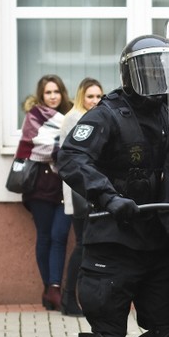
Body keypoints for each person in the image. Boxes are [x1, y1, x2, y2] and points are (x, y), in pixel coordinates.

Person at [49, 35, 169, 337]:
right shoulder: (106, 114)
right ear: (131, 73)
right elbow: (70, 157)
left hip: (159, 246)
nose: (158, 77)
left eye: (165, 67)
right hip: (113, 248)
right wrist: (107, 196)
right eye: (150, 68)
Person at [16, 75, 73, 311]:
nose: (53, 96)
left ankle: (54, 288)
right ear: (42, 95)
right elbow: (32, 146)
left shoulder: (69, 117)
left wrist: (63, 147)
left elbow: (76, 144)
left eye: (56, 92)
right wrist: (61, 148)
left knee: (60, 236)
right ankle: (50, 290)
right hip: (40, 187)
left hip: (66, 186)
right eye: (48, 92)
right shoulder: (34, 117)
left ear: (62, 94)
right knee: (45, 237)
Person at [58, 77, 103, 317]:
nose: (95, 101)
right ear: (81, 97)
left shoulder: (87, 116)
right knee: (83, 246)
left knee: (85, 245)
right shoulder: (77, 118)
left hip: (85, 190)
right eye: (90, 96)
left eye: (98, 96)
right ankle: (69, 300)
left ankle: (74, 300)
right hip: (80, 192)